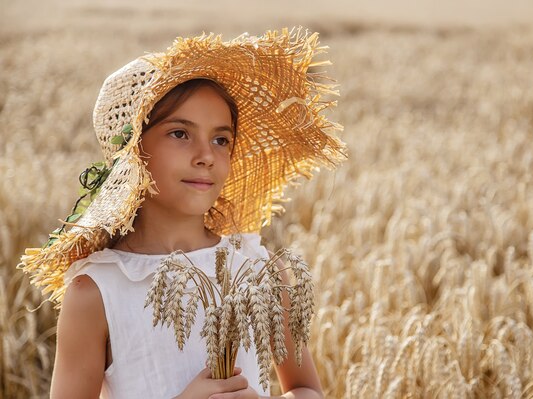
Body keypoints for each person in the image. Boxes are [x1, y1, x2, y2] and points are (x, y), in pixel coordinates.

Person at [18, 27, 347, 399]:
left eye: (221, 140)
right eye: (180, 133)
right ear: (133, 153)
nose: (206, 155)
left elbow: (306, 389)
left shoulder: (260, 269)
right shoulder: (97, 291)